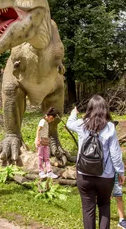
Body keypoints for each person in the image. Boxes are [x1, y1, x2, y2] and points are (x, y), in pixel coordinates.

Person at [67, 95, 125, 229]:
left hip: (84, 174)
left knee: (88, 209)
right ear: (105, 109)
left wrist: (73, 114)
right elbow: (115, 153)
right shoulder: (110, 127)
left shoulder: (81, 124)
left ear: (90, 108)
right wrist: (120, 172)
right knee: (104, 205)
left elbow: (69, 124)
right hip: (105, 177)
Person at [35, 107, 59, 179]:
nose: (52, 121)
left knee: (47, 157)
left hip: (46, 141)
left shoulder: (46, 122)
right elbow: (38, 130)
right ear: (50, 117)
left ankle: (49, 172)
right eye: (52, 119)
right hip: (41, 141)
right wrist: (38, 139)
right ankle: (41, 171)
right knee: (40, 157)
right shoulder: (42, 121)